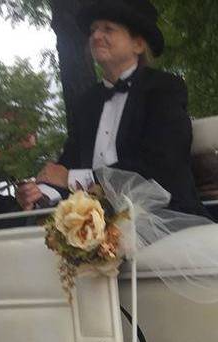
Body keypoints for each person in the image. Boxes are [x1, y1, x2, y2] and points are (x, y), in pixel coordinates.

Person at [16, 0, 207, 217]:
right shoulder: (86, 103)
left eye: (108, 29)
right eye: (93, 30)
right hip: (95, 218)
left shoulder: (164, 88)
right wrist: (41, 191)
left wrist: (72, 179)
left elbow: (159, 166)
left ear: (138, 45)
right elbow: (69, 163)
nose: (96, 36)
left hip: (161, 215)